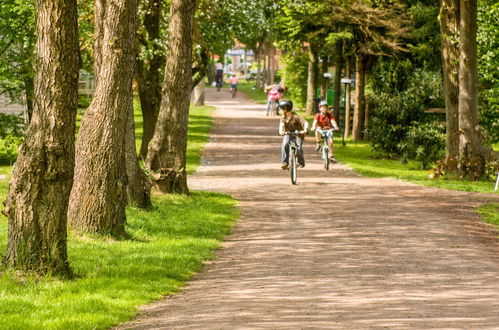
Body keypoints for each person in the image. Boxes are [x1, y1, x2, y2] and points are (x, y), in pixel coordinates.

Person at [278, 100, 308, 170]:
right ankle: (285, 163)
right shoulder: (283, 117)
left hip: (298, 134)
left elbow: (305, 122)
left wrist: (305, 129)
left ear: (286, 109)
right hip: (288, 133)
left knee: (298, 148)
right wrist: (281, 131)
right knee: (285, 144)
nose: (280, 110)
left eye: (281, 109)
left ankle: (301, 161)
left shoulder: (295, 116)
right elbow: (281, 125)